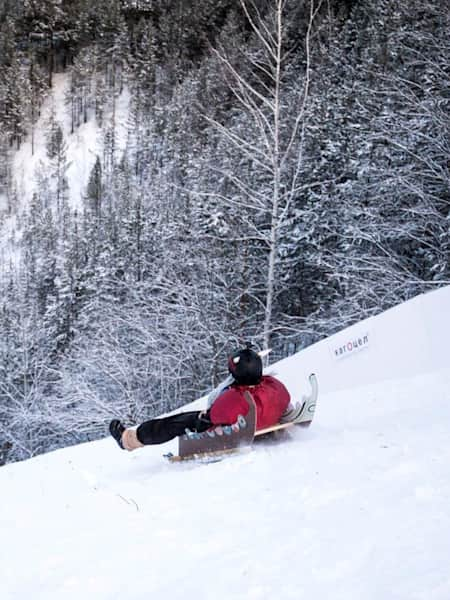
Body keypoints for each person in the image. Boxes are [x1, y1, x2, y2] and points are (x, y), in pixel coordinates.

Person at [109, 344, 291, 451]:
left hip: (225, 427)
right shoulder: (272, 385)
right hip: (258, 421)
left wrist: (204, 418)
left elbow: (213, 412)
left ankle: (128, 440)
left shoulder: (236, 397)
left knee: (172, 423)